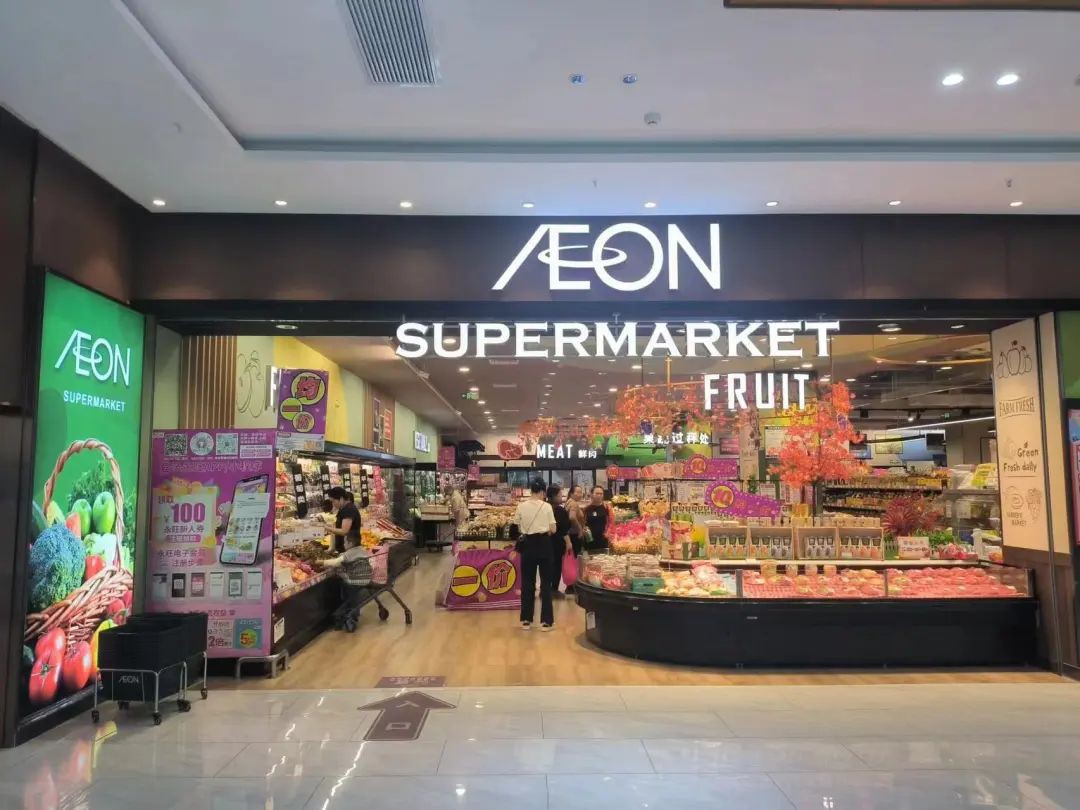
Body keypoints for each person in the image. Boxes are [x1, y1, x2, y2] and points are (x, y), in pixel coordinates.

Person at [511, 479, 556, 630]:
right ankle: (546, 622)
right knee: (546, 584)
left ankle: (526, 620)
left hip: (528, 545)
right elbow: (553, 529)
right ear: (543, 491)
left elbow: (516, 527)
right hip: (544, 544)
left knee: (527, 582)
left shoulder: (521, 506)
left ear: (531, 490)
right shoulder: (547, 506)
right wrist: (544, 530)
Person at [546, 485, 573, 599]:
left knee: (546, 566)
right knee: (556, 565)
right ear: (553, 496)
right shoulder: (559, 510)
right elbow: (564, 529)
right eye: (559, 495)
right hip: (557, 542)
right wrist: (568, 542)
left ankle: (545, 589)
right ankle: (554, 589)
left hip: (545, 541)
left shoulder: (544, 508)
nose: (561, 497)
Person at [326, 486, 361, 554]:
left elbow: (344, 531)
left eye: (333, 501)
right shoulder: (343, 508)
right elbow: (337, 526)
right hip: (344, 550)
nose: (333, 504)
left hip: (350, 551)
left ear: (341, 498)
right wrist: (332, 548)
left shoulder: (349, 509)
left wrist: (327, 528)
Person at [583, 485, 611, 552]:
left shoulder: (607, 507)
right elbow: (583, 522)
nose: (599, 495)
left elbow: (611, 522)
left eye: (601, 494)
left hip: (603, 538)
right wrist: (583, 529)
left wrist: (609, 532)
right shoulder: (586, 508)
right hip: (589, 538)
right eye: (597, 493)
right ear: (592, 494)